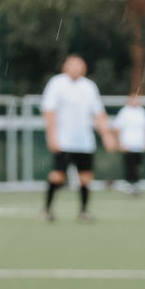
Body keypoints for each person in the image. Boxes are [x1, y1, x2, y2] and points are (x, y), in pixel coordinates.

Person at [41, 54, 115, 223]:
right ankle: (47, 209)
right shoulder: (56, 83)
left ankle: (83, 211)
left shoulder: (89, 86)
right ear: (65, 67)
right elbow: (49, 112)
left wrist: (107, 135)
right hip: (64, 141)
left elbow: (99, 113)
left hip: (84, 142)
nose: (75, 68)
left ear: (84, 68)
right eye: (72, 64)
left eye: (79, 65)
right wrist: (52, 136)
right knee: (58, 176)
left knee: (86, 177)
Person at [114, 93, 145, 195]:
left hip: (140, 145)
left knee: (138, 166)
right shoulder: (124, 112)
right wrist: (119, 143)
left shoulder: (142, 111)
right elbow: (117, 128)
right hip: (128, 144)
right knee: (129, 165)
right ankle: (129, 185)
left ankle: (136, 184)